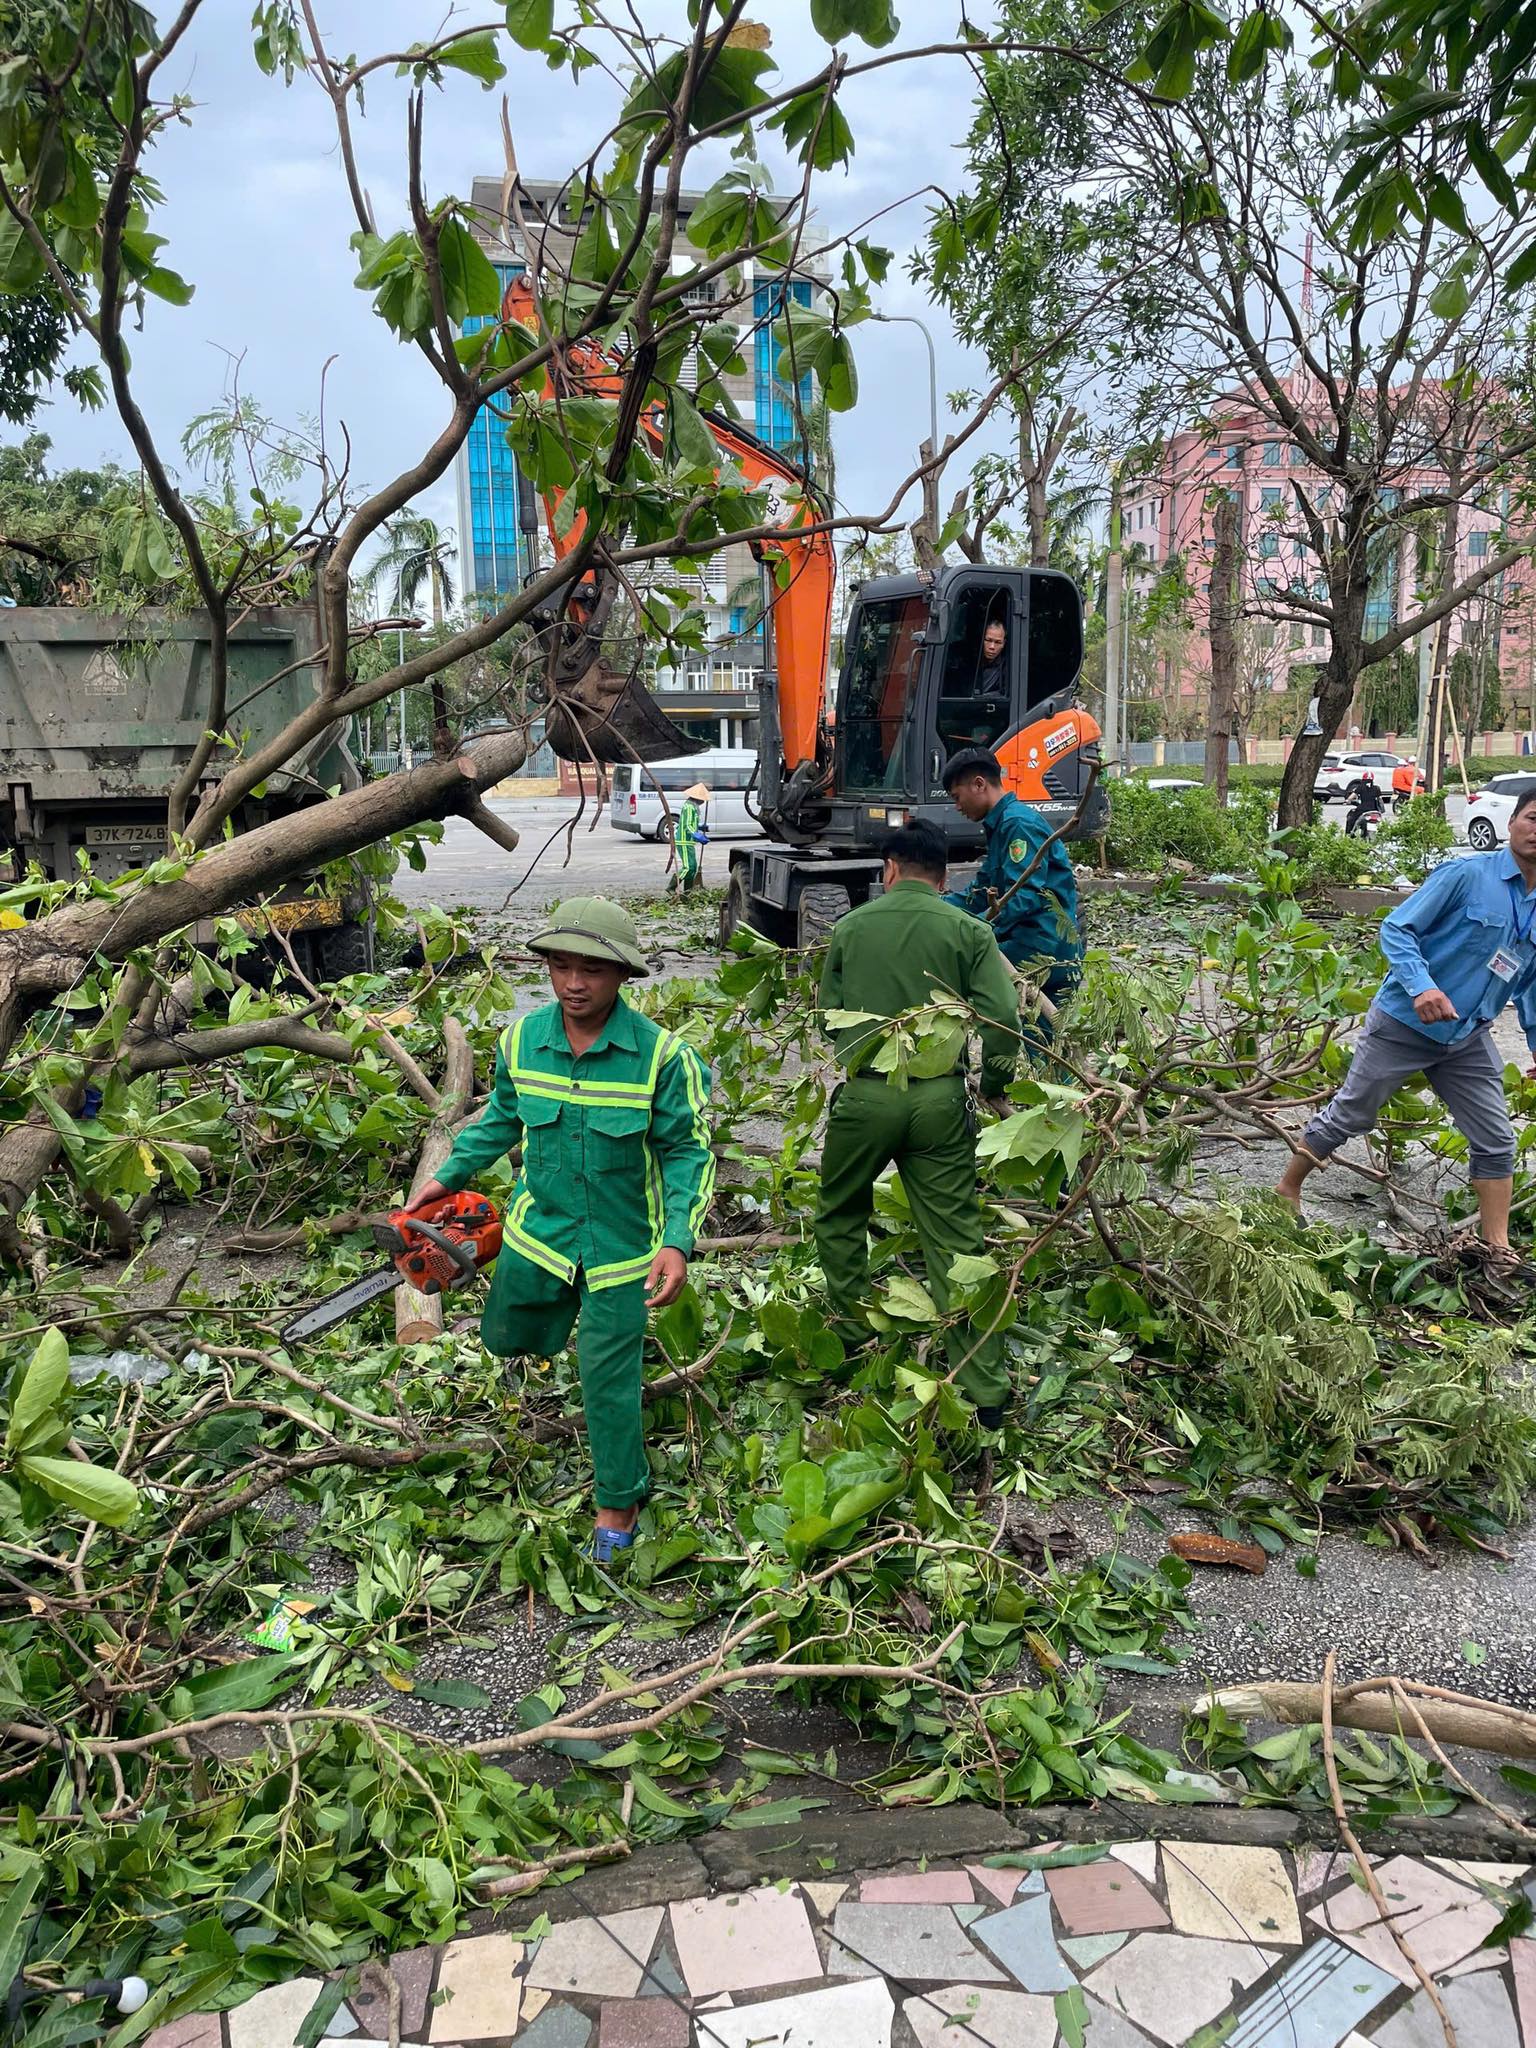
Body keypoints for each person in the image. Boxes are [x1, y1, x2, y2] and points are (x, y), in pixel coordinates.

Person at [405, 897, 714, 1562]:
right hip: (538, 1235)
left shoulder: (663, 1058)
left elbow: (688, 1154)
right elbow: (500, 1118)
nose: (574, 984)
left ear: (623, 974)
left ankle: (619, 1499)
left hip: (621, 1253)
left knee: (606, 1377)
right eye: (561, 967)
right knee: (504, 1335)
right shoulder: (521, 1041)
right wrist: (448, 1176)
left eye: (592, 971)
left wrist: (676, 1242)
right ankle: (536, 1316)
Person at [814, 820, 1023, 1426]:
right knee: (955, 1240)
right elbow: (1003, 1017)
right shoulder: (969, 930)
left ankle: (851, 1343)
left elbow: (828, 1014)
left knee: (840, 1214)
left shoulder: (851, 928)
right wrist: (994, 1085)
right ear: (943, 875)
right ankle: (985, 1392)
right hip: (939, 1100)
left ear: (890, 868)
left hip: (867, 1097)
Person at [1276, 789, 1536, 1262]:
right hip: (1403, 1023)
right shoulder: (1466, 875)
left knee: (1496, 1139)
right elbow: (1397, 928)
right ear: (1512, 821)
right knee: (1352, 1113)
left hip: (1467, 1036)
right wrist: (1422, 987)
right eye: (1533, 818)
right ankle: (1287, 1188)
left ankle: (1496, 1248)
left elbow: (1531, 984)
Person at [941, 746, 1084, 1019]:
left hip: (1042, 948)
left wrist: (976, 929)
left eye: (957, 797)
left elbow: (1023, 896)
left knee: (960, 974)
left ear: (979, 784)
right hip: (1029, 943)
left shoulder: (1018, 825)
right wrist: (935, 905)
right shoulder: (1002, 826)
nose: (957, 807)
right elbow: (981, 892)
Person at [675, 783, 710, 894]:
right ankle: (671, 887)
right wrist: (696, 835)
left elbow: (691, 823)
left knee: (693, 867)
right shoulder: (689, 807)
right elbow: (687, 825)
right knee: (688, 867)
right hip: (684, 840)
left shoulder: (693, 807)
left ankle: (688, 891)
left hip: (689, 842)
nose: (703, 801)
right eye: (702, 799)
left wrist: (700, 827)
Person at [1344, 770, 1383, 839]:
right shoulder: (1377, 788)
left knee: (1351, 818)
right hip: (1375, 811)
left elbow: (1351, 797)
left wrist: (1347, 801)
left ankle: (1350, 834)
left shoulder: (1360, 787)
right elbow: (1380, 799)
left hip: (1363, 810)